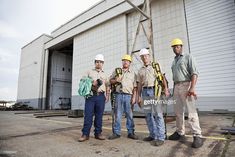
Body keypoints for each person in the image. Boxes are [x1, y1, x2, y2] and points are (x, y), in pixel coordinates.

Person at [168, 38, 203, 148]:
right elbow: (175, 77)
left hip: (186, 85)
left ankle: (197, 135)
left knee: (191, 112)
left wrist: (192, 87)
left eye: (178, 46)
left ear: (181, 47)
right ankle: (180, 132)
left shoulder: (188, 57)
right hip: (176, 86)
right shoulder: (174, 61)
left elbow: (194, 73)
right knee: (178, 112)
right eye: (174, 47)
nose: (176, 48)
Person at [136, 48, 169, 146]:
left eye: (146, 56)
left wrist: (166, 89)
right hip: (145, 92)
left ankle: (161, 137)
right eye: (143, 56)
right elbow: (139, 85)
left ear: (149, 56)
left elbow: (162, 78)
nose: (145, 58)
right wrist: (139, 96)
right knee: (148, 115)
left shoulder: (156, 66)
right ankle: (153, 134)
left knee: (158, 114)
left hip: (155, 91)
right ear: (141, 58)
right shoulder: (140, 70)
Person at [78, 54, 110, 142]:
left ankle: (98, 133)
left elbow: (108, 85)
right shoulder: (89, 72)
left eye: (100, 62)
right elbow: (82, 81)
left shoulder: (105, 74)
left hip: (101, 96)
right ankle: (85, 134)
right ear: (95, 63)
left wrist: (107, 95)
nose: (99, 63)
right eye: (97, 62)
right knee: (88, 115)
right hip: (91, 96)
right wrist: (92, 82)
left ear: (103, 63)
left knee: (99, 116)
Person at [108, 54, 138, 140]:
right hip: (118, 95)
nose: (125, 62)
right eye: (124, 60)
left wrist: (134, 97)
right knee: (118, 114)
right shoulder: (117, 71)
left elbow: (135, 87)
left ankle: (131, 132)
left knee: (129, 115)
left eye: (127, 61)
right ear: (122, 62)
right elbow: (110, 81)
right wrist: (115, 80)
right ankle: (116, 132)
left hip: (129, 96)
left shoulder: (133, 74)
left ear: (130, 63)